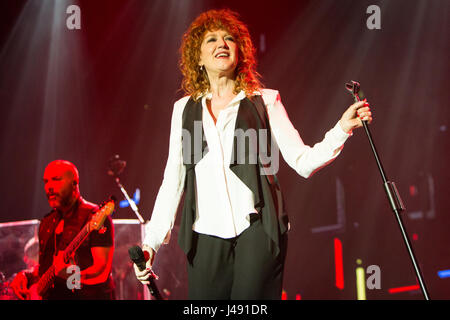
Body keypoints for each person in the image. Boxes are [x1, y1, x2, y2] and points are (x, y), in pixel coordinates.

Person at [134, 9, 372, 299]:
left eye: (229, 39)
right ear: (198, 57)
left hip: (258, 229)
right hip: (205, 234)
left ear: (240, 52)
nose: (221, 44)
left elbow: (303, 162)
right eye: (211, 39)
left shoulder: (264, 101)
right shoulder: (184, 110)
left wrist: (341, 128)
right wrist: (152, 243)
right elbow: (173, 181)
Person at [10, 160, 115, 300]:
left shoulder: (96, 217)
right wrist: (27, 276)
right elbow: (46, 268)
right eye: (46, 181)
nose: (49, 187)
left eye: (56, 179)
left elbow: (101, 272)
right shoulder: (47, 223)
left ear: (74, 183)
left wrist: (72, 276)